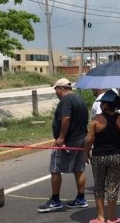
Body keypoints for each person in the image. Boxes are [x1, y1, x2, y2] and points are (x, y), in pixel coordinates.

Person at [38, 78, 89, 213]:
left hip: (68, 141)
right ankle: (81, 198)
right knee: (79, 169)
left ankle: (55, 200)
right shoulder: (79, 99)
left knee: (55, 168)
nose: (56, 93)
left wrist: (61, 138)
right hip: (80, 139)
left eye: (56, 90)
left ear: (61, 88)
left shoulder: (66, 101)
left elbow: (66, 118)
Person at [84, 90, 120, 223]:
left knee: (99, 186)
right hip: (117, 156)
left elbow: (89, 139)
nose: (102, 105)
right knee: (113, 187)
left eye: (103, 103)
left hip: (99, 157)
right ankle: (111, 217)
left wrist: (85, 153)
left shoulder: (96, 120)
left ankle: (100, 217)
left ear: (106, 105)